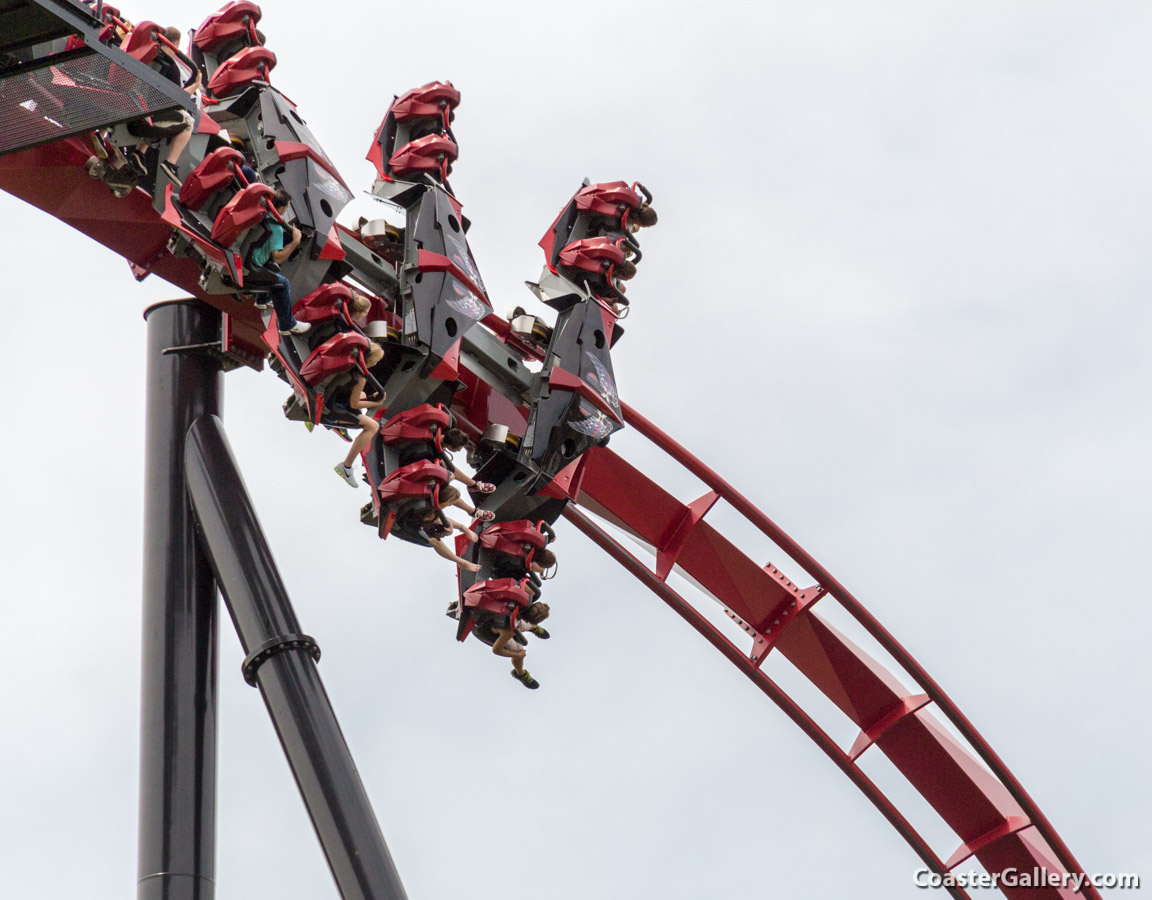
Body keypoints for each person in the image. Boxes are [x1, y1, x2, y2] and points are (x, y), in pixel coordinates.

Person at [250, 189, 310, 335]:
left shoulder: (260, 213)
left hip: (248, 257)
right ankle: (287, 324)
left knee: (273, 268)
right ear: (281, 208)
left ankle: (262, 300)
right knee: (283, 284)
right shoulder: (275, 228)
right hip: (252, 268)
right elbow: (279, 257)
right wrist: (295, 241)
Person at [332, 343, 387, 487]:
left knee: (362, 394)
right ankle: (346, 466)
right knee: (373, 426)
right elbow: (354, 404)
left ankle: (338, 426)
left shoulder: (348, 362)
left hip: (332, 396)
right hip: (334, 408)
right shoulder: (360, 377)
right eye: (375, 361)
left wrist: (368, 398)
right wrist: (376, 403)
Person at [485, 601, 550, 690]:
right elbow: (496, 650)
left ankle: (533, 627)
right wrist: (518, 655)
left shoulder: (518, 608)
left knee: (520, 624)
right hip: (485, 629)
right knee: (519, 650)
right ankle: (520, 673)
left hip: (498, 614)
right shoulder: (508, 631)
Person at [399, 505, 481, 572]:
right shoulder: (412, 526)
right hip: (403, 524)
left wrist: (450, 526)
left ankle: (463, 528)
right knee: (433, 541)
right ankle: (461, 562)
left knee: (436, 516)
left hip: (414, 509)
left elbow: (436, 514)